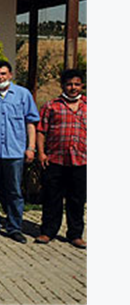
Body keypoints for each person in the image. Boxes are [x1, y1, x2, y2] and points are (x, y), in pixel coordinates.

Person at [0, 61, 39, 243]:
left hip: (15, 151)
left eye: (3, 74)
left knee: (14, 191)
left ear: (10, 75)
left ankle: (14, 227)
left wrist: (31, 147)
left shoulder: (23, 94)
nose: (0, 77)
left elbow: (30, 123)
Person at [35, 69, 87, 249]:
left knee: (77, 200)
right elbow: (41, 130)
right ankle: (48, 231)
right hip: (55, 160)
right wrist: (41, 153)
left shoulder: (88, 106)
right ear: (63, 86)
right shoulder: (51, 106)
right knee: (52, 198)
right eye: (69, 84)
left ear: (82, 85)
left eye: (76, 84)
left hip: (81, 160)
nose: (73, 88)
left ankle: (75, 234)